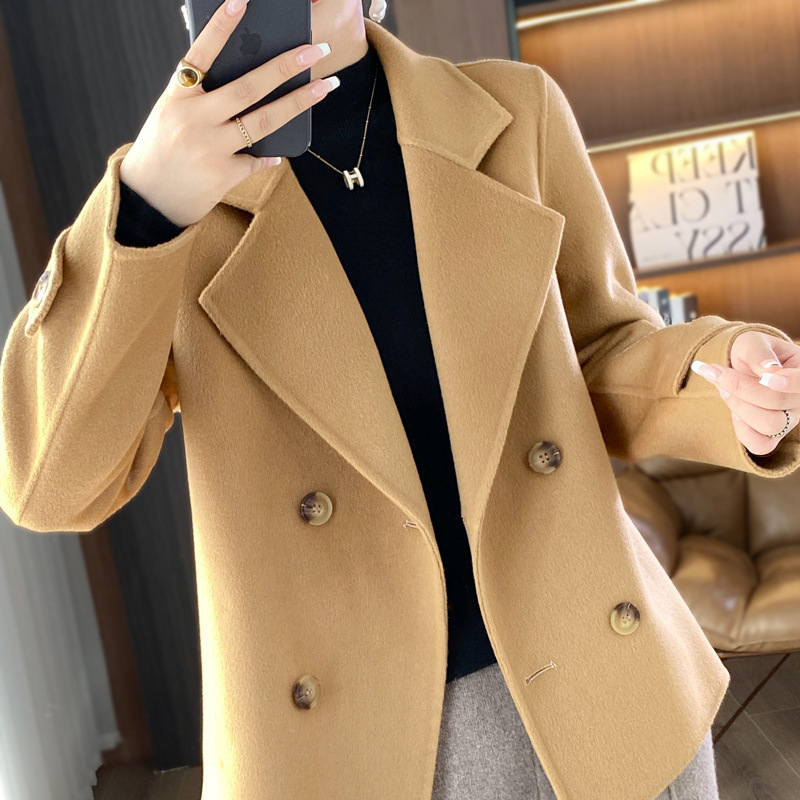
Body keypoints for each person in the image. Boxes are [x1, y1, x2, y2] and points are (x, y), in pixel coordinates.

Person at [2, 0, 799, 798]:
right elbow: (47, 485)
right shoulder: (167, 204)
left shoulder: (514, 112)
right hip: (352, 750)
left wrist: (721, 377)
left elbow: (600, 351)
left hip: (606, 686)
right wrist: (145, 208)